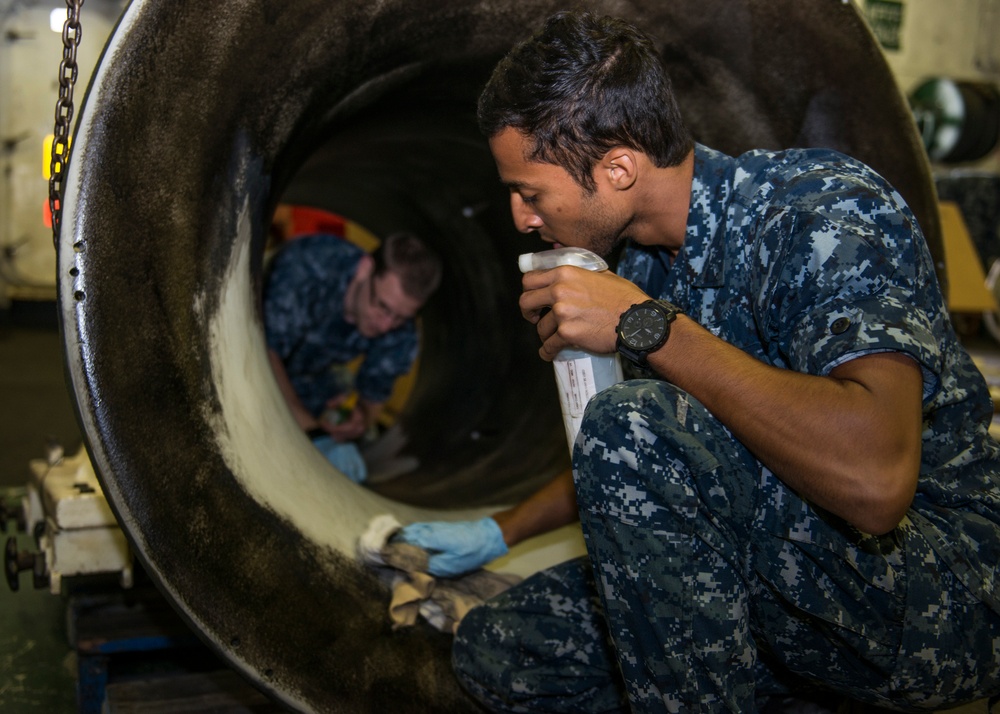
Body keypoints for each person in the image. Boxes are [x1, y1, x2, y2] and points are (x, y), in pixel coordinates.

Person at [397, 10, 1000, 713]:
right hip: (778, 572)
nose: (520, 217)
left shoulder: (820, 213)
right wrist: (502, 529)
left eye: (530, 192)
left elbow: (877, 480)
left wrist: (648, 328)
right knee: (503, 651)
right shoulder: (643, 267)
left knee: (635, 423)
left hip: (935, 589)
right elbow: (654, 463)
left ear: (618, 167)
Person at [264, 230, 442, 483]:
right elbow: (265, 353)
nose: (385, 325)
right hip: (251, 351)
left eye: (400, 317)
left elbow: (373, 396)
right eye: (382, 306)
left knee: (354, 445)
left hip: (313, 375)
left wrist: (357, 418)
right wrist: (313, 434)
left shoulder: (400, 328)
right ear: (364, 269)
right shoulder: (310, 265)